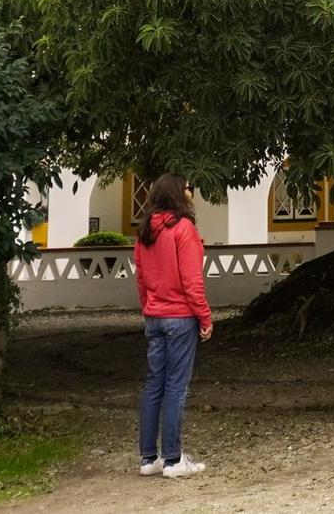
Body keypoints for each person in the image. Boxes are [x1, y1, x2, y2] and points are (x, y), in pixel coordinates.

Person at [133, 174, 212, 478]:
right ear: (179, 194)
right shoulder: (183, 229)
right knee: (176, 387)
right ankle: (173, 460)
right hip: (180, 317)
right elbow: (192, 281)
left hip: (154, 316)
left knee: (154, 385)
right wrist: (204, 318)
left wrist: (148, 310)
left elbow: (141, 281)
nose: (192, 192)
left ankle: (148, 458)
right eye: (189, 187)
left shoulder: (145, 233)